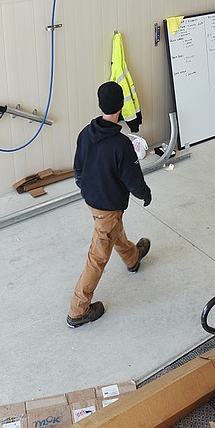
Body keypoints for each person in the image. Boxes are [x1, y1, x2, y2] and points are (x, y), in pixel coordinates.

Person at [67, 81, 153, 328]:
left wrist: (88, 189)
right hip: (108, 206)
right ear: (122, 107)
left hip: (94, 201)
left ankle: (132, 258)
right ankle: (78, 310)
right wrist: (144, 193)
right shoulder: (121, 144)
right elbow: (132, 179)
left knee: (113, 230)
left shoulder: (85, 133)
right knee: (97, 257)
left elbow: (78, 170)